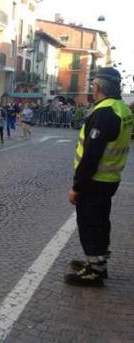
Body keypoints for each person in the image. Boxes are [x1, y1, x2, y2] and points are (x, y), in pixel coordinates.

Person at [66, 67, 134, 287]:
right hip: (110, 178)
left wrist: (77, 186)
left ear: (97, 87)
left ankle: (94, 272)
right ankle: (97, 263)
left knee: (90, 224)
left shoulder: (104, 113)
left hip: (95, 181)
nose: (91, 88)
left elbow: (91, 156)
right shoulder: (122, 109)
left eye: (93, 84)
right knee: (101, 223)